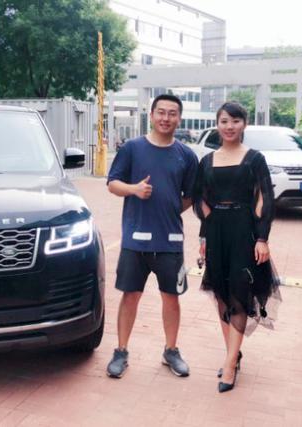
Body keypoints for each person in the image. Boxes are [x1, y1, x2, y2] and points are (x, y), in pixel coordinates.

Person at [106, 94, 199, 379]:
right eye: (161, 112)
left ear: (179, 118)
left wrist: (169, 208)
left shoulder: (186, 155)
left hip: (170, 241)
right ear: (152, 114)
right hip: (135, 240)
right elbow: (112, 184)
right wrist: (134, 189)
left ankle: (171, 350)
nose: (166, 118)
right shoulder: (132, 149)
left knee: (171, 297)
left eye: (172, 113)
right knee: (130, 295)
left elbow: (191, 195)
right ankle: (121, 351)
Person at [192, 101, 282, 393]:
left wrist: (262, 238)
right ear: (217, 124)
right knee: (221, 293)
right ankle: (233, 353)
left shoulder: (254, 159)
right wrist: (205, 236)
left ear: (244, 124)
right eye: (224, 121)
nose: (229, 126)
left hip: (244, 230)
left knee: (239, 294)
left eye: (235, 121)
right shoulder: (207, 161)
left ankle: (230, 364)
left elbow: (264, 198)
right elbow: (199, 198)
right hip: (216, 231)